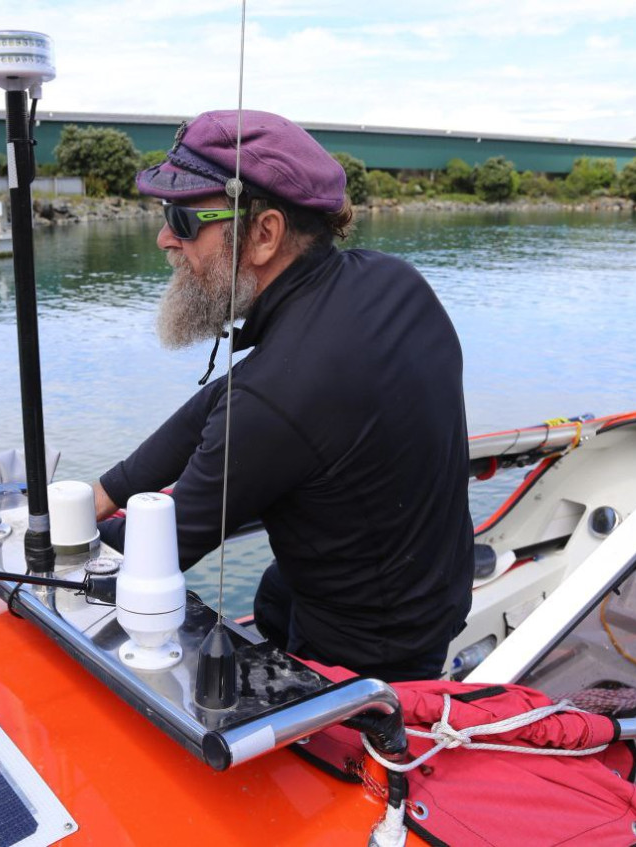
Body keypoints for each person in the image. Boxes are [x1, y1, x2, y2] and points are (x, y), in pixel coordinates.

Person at [93, 109, 473, 682]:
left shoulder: (277, 399)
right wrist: (108, 488)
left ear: (265, 234)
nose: (165, 237)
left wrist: (68, 538)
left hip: (366, 654)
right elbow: (223, 400)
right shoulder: (393, 280)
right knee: (273, 598)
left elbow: (151, 555)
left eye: (183, 218)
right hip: (431, 594)